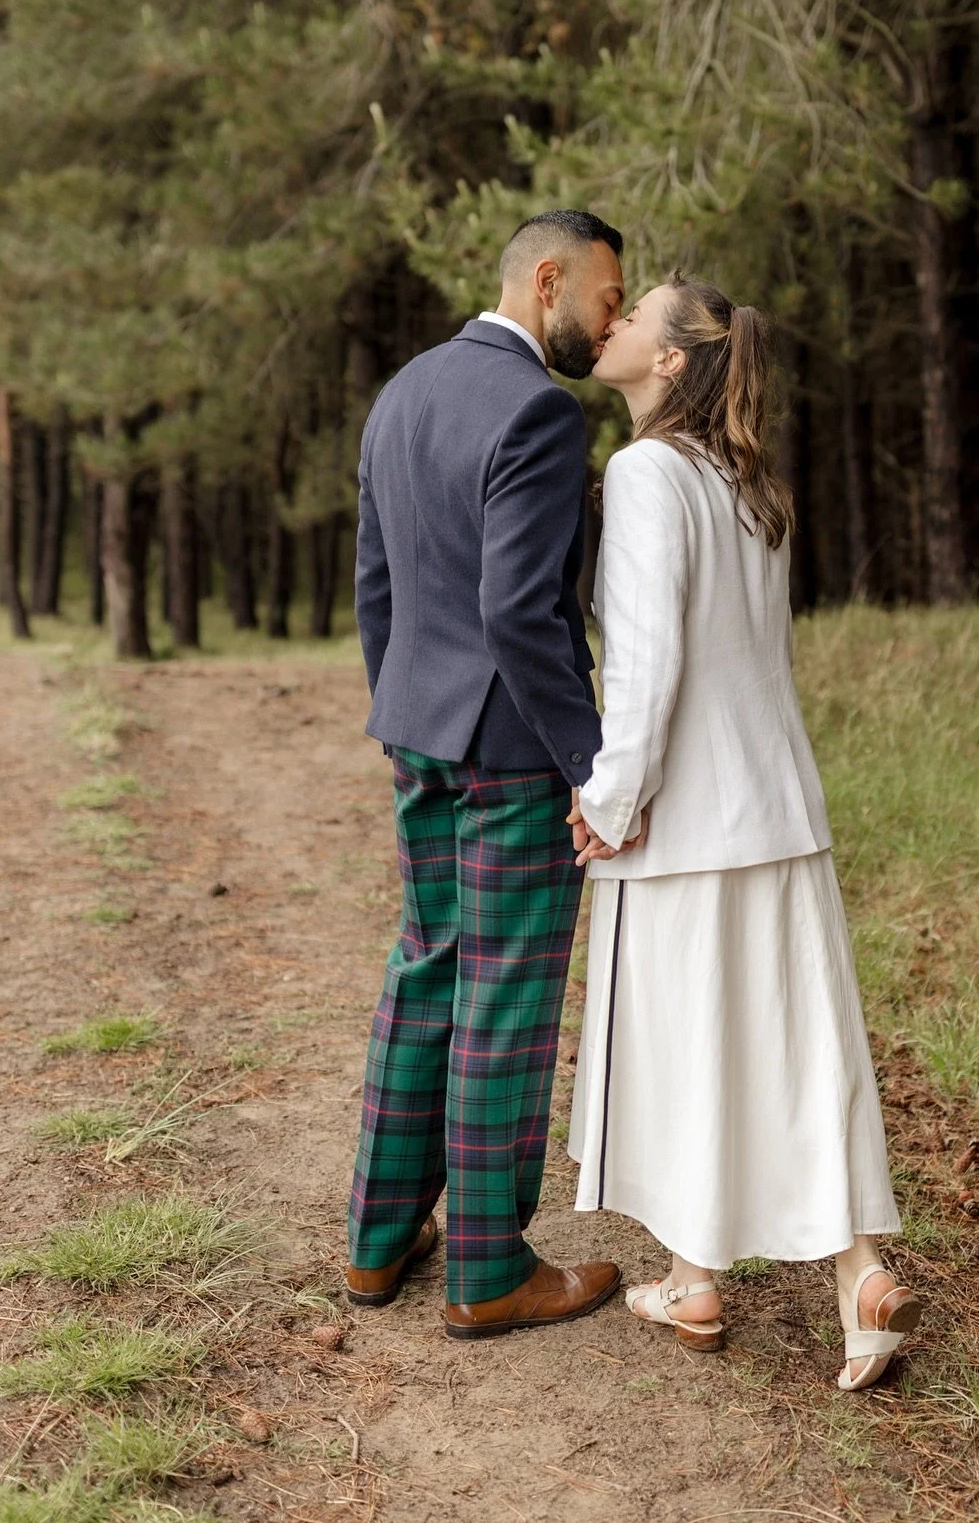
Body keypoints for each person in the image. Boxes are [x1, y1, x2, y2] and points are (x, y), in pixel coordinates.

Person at [568, 271, 922, 1390]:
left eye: (634, 317)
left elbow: (646, 664)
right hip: (778, 808)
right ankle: (842, 1272)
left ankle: (700, 1275)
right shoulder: (750, 480)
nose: (611, 322)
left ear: (671, 361)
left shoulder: (642, 473)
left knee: (685, 1050)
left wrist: (608, 801)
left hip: (682, 821)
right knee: (796, 1048)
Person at [347, 208, 636, 1339]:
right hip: (511, 754)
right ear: (548, 279)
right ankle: (486, 1270)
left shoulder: (407, 388)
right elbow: (524, 613)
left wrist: (405, 706)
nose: (610, 318)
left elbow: (378, 581)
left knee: (425, 972)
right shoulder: (536, 409)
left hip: (419, 732)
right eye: (608, 297)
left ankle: (377, 1245)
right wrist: (591, 764)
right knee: (506, 1005)